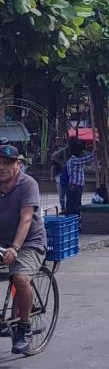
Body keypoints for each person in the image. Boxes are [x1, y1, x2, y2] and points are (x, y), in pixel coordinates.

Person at [0, 145, 47, 354]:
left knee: (19, 278)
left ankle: (24, 327)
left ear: (17, 164)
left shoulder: (28, 185)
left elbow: (26, 218)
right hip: (2, 241)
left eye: (7, 163)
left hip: (29, 243)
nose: (2, 167)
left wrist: (15, 247)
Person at [65, 141, 94, 216]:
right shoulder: (74, 160)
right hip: (74, 186)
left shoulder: (74, 161)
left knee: (75, 204)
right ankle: (74, 219)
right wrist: (95, 154)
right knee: (74, 206)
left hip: (76, 186)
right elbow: (86, 159)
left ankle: (75, 219)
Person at [50, 139, 68, 212]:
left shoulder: (68, 158)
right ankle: (63, 209)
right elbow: (52, 164)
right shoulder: (56, 160)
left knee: (67, 195)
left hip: (67, 176)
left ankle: (67, 208)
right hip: (59, 177)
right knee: (61, 195)